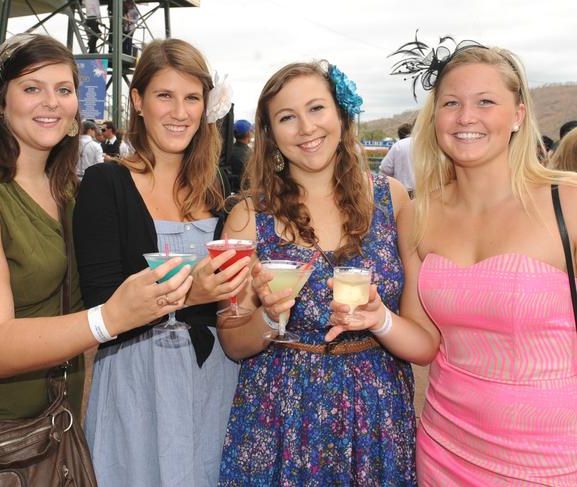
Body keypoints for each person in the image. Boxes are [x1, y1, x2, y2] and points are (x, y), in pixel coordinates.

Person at [0, 33, 193, 430]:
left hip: (54, 429)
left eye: (63, 89)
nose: (51, 102)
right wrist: (110, 318)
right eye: (32, 88)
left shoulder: (66, 191)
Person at [217, 61, 429, 485]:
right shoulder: (246, 217)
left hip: (378, 414)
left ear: (340, 114)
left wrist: (380, 319)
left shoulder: (394, 200)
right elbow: (233, 342)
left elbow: (422, 341)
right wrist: (270, 317)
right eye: (286, 117)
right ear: (271, 133)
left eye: (316, 108)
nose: (306, 128)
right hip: (281, 417)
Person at [390, 38, 577, 484]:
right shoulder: (420, 214)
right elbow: (424, 340)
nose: (466, 117)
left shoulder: (567, 203)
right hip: (444, 447)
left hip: (553, 456)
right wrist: (376, 317)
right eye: (451, 102)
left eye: (485, 101)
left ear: (518, 115)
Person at [74, 38, 247, 486]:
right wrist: (193, 292)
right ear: (138, 100)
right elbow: (100, 300)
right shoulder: (105, 182)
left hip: (215, 378)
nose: (179, 112)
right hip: (138, 380)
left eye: (192, 98)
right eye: (164, 95)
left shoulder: (217, 191)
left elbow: (232, 303)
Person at [380, 122, 415, 197]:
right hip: (425, 194)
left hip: (401, 192)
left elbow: (385, 168)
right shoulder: (429, 144)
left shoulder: (398, 145)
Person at [226, 119, 252, 192]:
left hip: (230, 190)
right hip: (245, 192)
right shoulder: (250, 154)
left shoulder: (228, 151)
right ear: (248, 133)